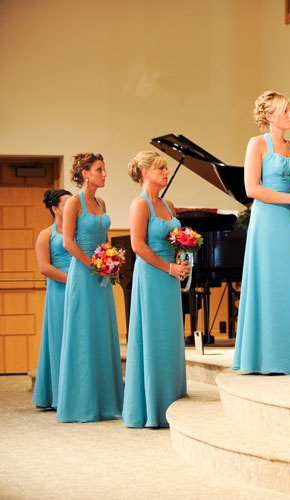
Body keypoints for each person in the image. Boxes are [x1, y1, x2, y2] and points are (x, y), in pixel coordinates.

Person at [231, 91, 290, 375]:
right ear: (269, 116)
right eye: (285, 110)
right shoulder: (257, 143)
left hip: (288, 220)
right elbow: (251, 189)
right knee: (268, 281)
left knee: (289, 284)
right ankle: (265, 357)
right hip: (267, 221)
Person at [122, 151, 190, 428]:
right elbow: (138, 246)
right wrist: (168, 267)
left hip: (170, 275)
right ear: (146, 173)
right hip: (151, 275)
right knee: (153, 335)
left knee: (169, 335)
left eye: (165, 168)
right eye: (161, 168)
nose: (166, 172)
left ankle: (171, 399)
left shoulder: (168, 204)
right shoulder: (139, 205)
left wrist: (181, 258)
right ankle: (151, 405)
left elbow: (176, 240)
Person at [57, 153, 124, 423]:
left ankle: (107, 402)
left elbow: (105, 240)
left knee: (102, 331)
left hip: (102, 276)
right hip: (84, 274)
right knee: (83, 332)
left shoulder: (101, 202)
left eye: (104, 170)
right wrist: (95, 265)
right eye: (99, 170)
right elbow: (67, 243)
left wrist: (112, 260)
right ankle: (82, 404)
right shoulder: (74, 202)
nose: (104, 174)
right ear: (85, 173)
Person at [32, 189, 73, 410]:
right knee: (59, 338)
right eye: (66, 203)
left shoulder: (77, 232)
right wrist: (72, 281)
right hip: (59, 291)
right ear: (55, 208)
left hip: (81, 290)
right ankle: (59, 394)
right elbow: (44, 267)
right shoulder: (46, 234)